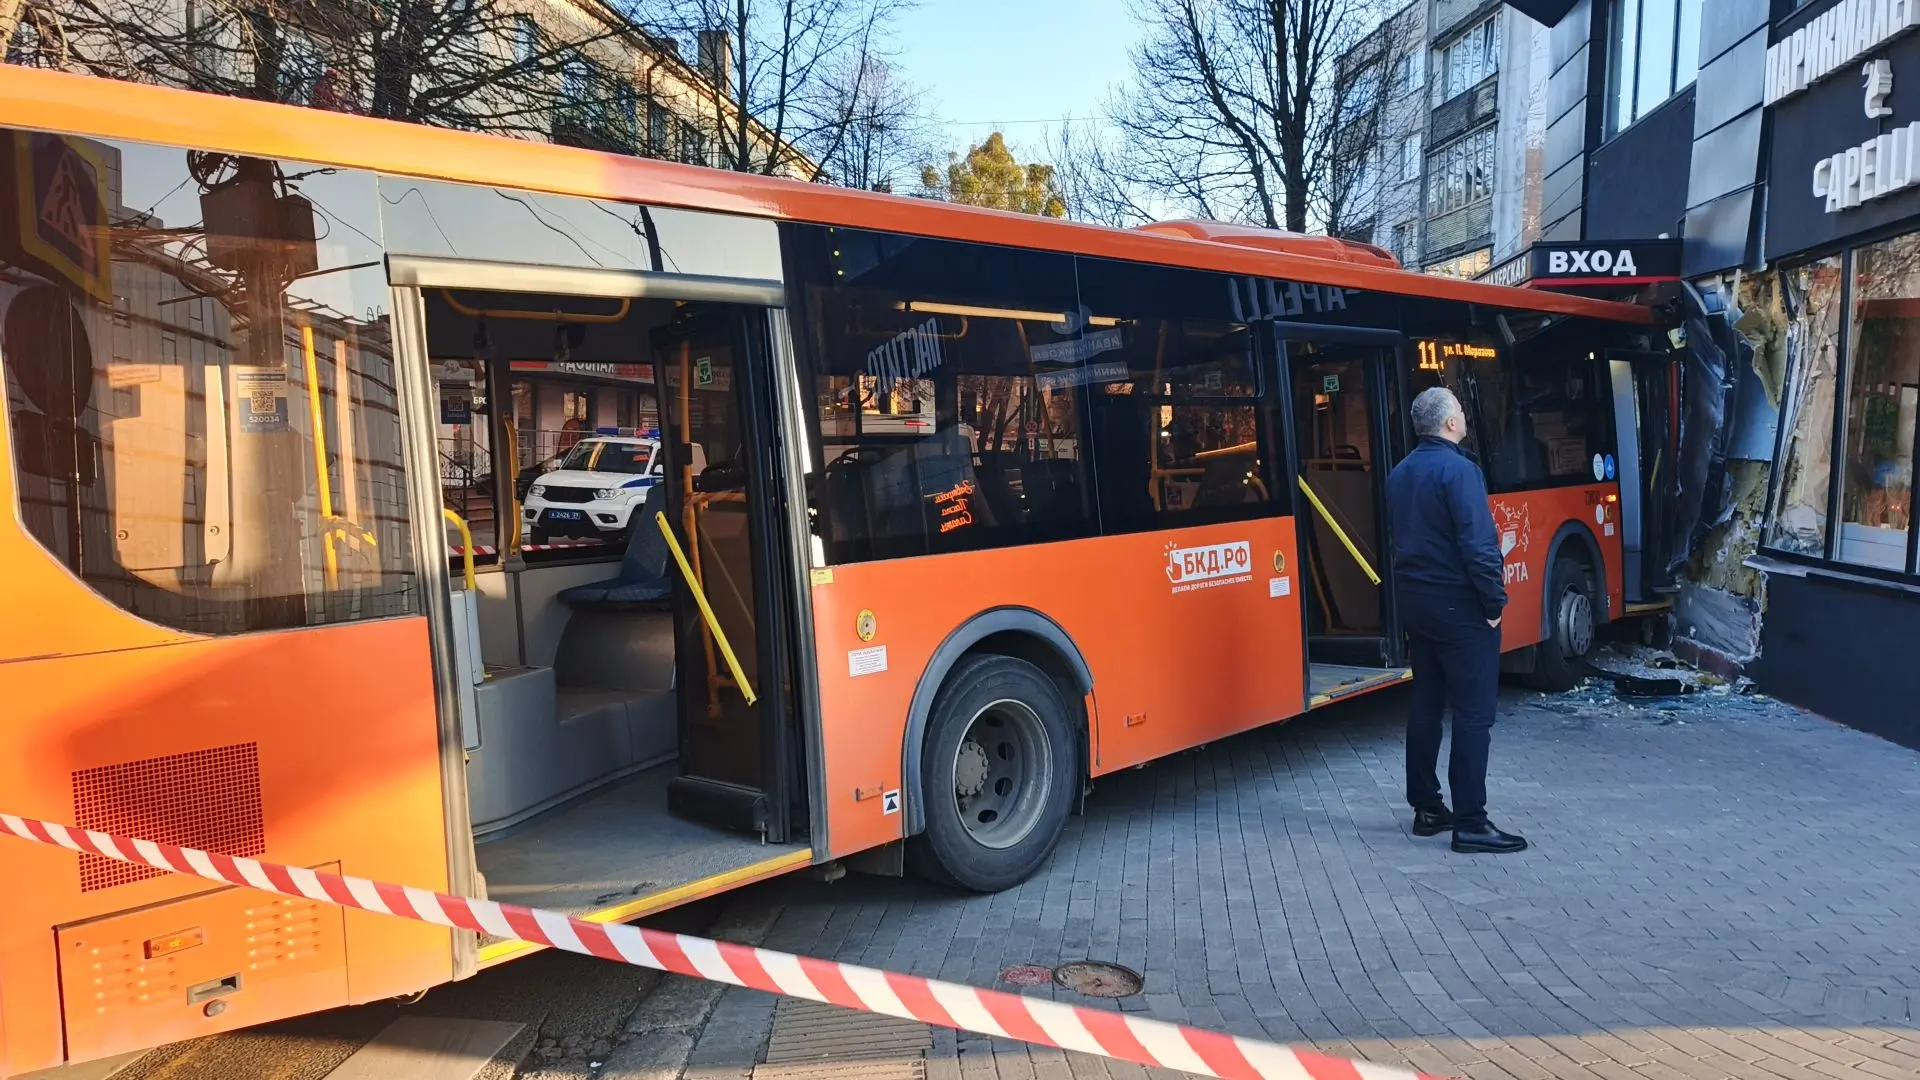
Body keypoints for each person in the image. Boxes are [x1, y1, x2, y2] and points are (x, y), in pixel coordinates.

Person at [1384, 387, 1528, 854]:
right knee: (1473, 713)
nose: (1466, 416)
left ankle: (1427, 807)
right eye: (1461, 411)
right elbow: (1479, 545)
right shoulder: (1461, 472)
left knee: (1426, 704)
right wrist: (1492, 604)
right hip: (1461, 609)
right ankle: (1471, 822)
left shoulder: (1399, 474)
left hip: (1417, 606)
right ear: (1449, 424)